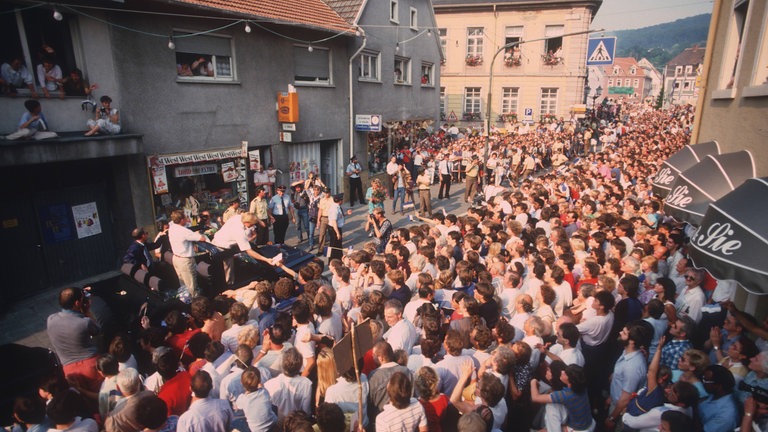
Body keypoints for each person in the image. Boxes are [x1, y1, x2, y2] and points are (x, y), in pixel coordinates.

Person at [47, 287, 103, 399]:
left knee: (80, 399)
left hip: (69, 370)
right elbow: (97, 330)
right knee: (100, 396)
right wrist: (87, 312)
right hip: (91, 365)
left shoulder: (50, 320)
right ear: (77, 303)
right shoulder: (85, 322)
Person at [213, 212, 275, 286]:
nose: (253, 226)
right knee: (227, 270)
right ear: (246, 222)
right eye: (252, 224)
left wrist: (258, 220)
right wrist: (266, 259)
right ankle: (229, 286)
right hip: (222, 247)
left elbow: (249, 214)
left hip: (218, 240)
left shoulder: (239, 217)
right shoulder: (239, 232)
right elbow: (249, 251)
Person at [168, 209, 207, 296]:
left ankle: (186, 300)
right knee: (191, 286)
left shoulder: (172, 227)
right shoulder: (184, 231)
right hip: (185, 260)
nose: (187, 219)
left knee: (183, 285)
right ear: (182, 220)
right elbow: (202, 238)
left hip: (176, 258)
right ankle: (195, 302)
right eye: (185, 218)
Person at [327, 193, 347, 260]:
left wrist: (346, 214)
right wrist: (337, 233)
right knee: (334, 246)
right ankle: (331, 260)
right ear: (340, 200)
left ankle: (339, 258)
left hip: (336, 228)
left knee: (338, 245)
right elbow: (334, 222)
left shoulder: (337, 207)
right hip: (334, 229)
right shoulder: (334, 209)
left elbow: (340, 216)